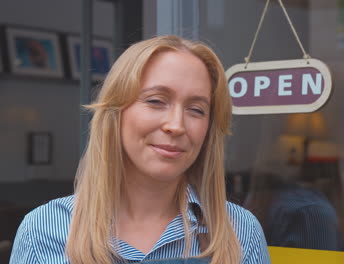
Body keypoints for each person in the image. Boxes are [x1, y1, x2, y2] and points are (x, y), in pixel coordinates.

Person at [10, 35, 270, 264]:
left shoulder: (240, 232)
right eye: (156, 101)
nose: (176, 125)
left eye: (196, 109)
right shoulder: (44, 230)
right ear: (116, 113)